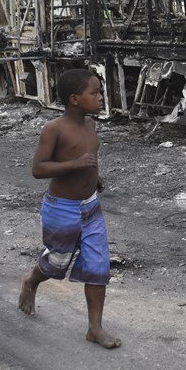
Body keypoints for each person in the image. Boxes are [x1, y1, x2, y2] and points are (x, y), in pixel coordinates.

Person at [18, 68, 121, 349]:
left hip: (91, 208)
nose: (101, 97)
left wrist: (94, 179)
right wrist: (76, 165)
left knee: (98, 266)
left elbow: (88, 160)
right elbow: (38, 169)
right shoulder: (54, 129)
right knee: (55, 263)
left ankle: (95, 329)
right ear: (75, 99)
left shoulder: (91, 126)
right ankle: (32, 280)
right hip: (61, 209)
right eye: (95, 93)